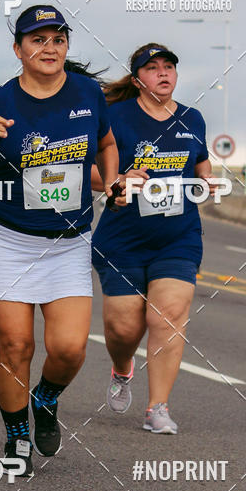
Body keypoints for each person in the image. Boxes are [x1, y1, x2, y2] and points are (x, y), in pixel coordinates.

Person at [0, 3, 118, 475]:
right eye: (38, 40)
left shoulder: (88, 93)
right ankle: (16, 437)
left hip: (66, 241)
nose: (50, 48)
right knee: (17, 344)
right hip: (7, 237)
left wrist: (112, 182)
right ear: (19, 50)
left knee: (69, 349)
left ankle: (44, 398)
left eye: (58, 39)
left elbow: (106, 143)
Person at [91, 43, 212, 433]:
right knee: (124, 329)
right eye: (153, 68)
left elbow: (201, 165)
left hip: (178, 237)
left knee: (169, 315)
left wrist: (208, 184)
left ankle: (157, 408)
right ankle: (122, 367)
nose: (163, 73)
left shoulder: (193, 119)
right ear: (139, 79)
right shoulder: (114, 116)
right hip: (122, 237)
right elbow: (86, 171)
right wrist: (119, 180)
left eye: (169, 67)